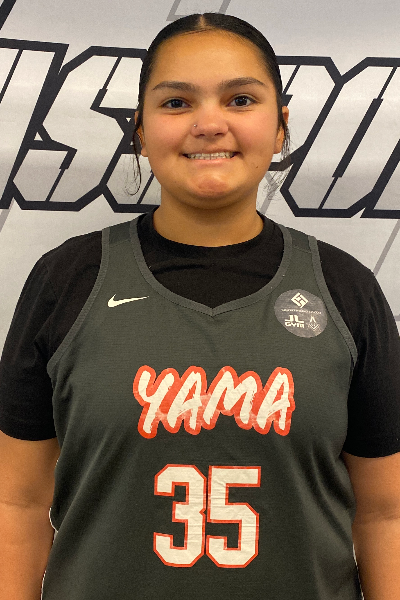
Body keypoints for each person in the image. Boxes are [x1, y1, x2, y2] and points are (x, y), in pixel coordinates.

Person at [0, 12, 399, 600]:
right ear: (140, 130)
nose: (209, 124)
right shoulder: (67, 279)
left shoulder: (345, 289)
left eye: (240, 99)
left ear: (281, 126)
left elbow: (386, 513)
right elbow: (18, 501)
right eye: (176, 103)